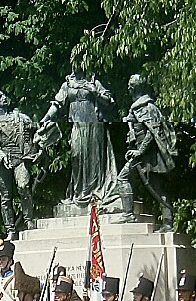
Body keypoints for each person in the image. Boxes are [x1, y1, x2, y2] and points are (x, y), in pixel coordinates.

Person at [36, 67, 119, 212]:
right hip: (77, 125)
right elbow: (57, 104)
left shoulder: (94, 81)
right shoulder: (68, 84)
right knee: (77, 156)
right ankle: (79, 192)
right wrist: (45, 118)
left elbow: (109, 102)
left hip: (94, 125)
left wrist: (95, 92)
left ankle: (95, 191)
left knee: (94, 159)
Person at [119, 74, 178, 230]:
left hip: (148, 155)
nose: (128, 88)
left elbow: (153, 133)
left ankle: (130, 215)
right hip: (141, 154)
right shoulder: (137, 107)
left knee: (125, 178)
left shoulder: (147, 107)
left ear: (135, 87)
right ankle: (167, 221)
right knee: (156, 187)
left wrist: (139, 151)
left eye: (130, 85)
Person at [0, 88, 40, 237]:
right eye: (0, 96)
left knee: (23, 187)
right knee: (6, 196)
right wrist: (3, 157)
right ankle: (10, 229)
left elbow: (36, 131)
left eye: (3, 95)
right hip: (3, 161)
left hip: (20, 158)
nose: (4, 97)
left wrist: (36, 145)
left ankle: (29, 219)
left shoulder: (20, 117)